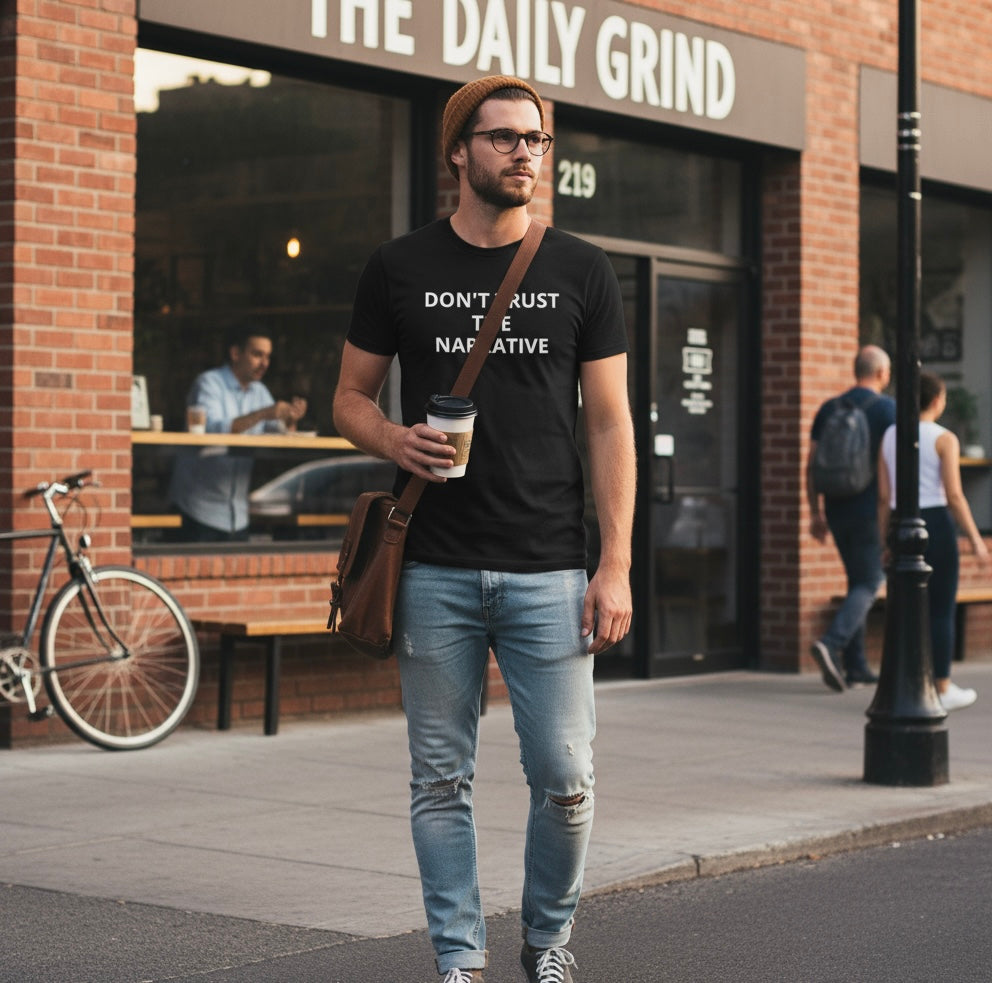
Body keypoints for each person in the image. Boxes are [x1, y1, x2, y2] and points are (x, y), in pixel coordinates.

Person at [332, 76, 635, 983]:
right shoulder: (399, 265)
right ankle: (459, 959)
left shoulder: (582, 268)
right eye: (504, 139)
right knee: (439, 779)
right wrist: (393, 437)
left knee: (567, 778)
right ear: (459, 151)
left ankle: (547, 938)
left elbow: (611, 421)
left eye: (536, 140)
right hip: (432, 564)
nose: (525, 154)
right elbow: (347, 397)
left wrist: (614, 561)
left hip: (549, 564)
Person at [877, 371, 989, 710]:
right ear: (937, 400)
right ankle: (941, 686)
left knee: (904, 607)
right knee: (940, 607)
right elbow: (954, 494)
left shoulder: (890, 435)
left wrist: (885, 539)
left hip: (900, 521)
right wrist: (975, 539)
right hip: (936, 523)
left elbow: (883, 496)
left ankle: (905, 680)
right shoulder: (945, 439)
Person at [807, 345, 896, 690]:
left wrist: (815, 512)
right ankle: (831, 643)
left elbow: (811, 465)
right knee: (871, 580)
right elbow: (894, 466)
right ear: (882, 373)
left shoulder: (830, 407)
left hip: (836, 506)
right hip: (870, 508)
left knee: (856, 578)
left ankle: (856, 665)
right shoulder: (888, 410)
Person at [170, 322, 307, 541]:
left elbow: (278, 433)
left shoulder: (260, 391)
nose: (264, 363)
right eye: (257, 355)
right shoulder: (209, 383)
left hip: (239, 514)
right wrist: (264, 413)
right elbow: (214, 430)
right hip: (199, 510)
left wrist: (289, 420)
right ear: (235, 353)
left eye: (268, 357)